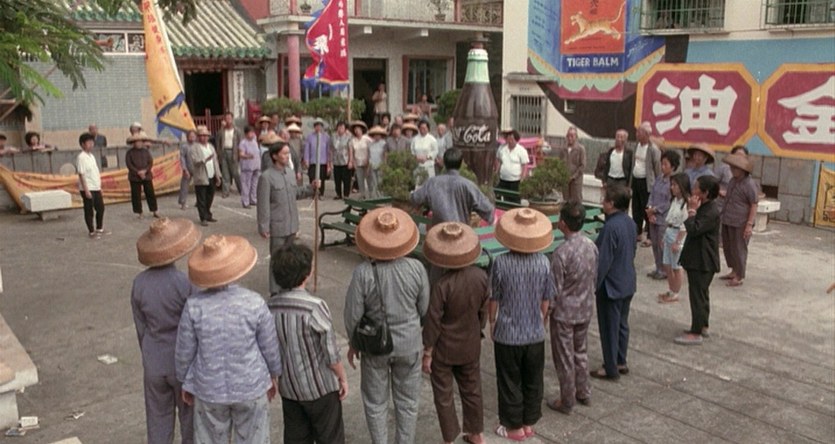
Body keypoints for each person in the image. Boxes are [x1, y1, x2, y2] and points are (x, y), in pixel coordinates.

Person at [175, 234, 282, 443]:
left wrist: (184, 380)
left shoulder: (194, 306)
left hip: (208, 389)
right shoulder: (255, 302)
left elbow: (184, 351)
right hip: (251, 385)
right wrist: (274, 373)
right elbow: (270, 346)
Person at [344, 207, 430, 444]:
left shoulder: (362, 273)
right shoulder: (417, 268)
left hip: (375, 346)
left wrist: (354, 343)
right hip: (410, 343)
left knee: (375, 403)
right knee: (408, 403)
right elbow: (424, 309)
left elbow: (353, 314)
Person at [268, 244, 348, 444]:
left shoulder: (270, 306)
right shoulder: (315, 307)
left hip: (290, 388)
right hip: (320, 389)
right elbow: (331, 354)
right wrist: (342, 377)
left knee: (296, 438)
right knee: (330, 438)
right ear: (307, 274)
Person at [132, 217, 201, 444]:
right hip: (181, 361)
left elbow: (141, 327)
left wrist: (149, 353)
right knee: (190, 419)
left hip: (153, 359)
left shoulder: (139, 284)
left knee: (157, 419)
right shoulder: (184, 283)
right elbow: (195, 328)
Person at [489, 208, 555, 440]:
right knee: (533, 380)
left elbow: (494, 298)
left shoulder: (500, 263)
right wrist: (541, 320)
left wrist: (492, 322)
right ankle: (528, 423)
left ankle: (513, 427)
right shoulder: (544, 263)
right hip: (534, 332)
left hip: (508, 333)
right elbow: (546, 300)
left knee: (509, 381)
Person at [421, 222, 488, 444]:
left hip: (444, 348)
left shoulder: (442, 285)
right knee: (472, 389)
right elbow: (482, 312)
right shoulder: (481, 277)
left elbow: (433, 320)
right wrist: (478, 329)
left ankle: (449, 437)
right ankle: (476, 433)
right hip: (470, 344)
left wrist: (428, 351)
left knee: (444, 394)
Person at [546, 202, 598, 415]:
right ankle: (583, 391)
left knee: (565, 357)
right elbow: (594, 276)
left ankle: (567, 399)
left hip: (565, 313)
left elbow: (555, 290)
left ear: (563, 223)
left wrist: (547, 311)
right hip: (584, 308)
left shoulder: (561, 253)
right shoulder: (590, 246)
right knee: (581, 351)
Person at [257, 142, 318, 294]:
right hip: (277, 226)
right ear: (275, 156)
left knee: (291, 258)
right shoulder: (266, 177)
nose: (287, 156)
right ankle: (275, 291)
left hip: (292, 225)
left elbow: (296, 193)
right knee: (276, 259)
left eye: (288, 153)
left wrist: (311, 188)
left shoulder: (290, 173)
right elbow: (263, 204)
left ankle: (289, 285)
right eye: (284, 153)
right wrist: (263, 226)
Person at [590, 185, 637, 380]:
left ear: (612, 204)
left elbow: (603, 260)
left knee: (610, 327)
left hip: (611, 285)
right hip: (627, 280)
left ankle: (610, 367)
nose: (602, 203)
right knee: (622, 325)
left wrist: (594, 284)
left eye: (605, 200)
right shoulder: (630, 222)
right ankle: (620, 360)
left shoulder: (610, 227)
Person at [676, 175, 721, 345]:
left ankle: (696, 332)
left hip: (703, 260)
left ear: (705, 193)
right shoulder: (706, 207)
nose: (693, 191)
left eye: (696, 188)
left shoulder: (710, 211)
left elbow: (694, 229)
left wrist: (692, 211)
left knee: (698, 296)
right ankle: (702, 325)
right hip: (698, 258)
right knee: (701, 294)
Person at [410, 148, 494, 227]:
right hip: (462, 232)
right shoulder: (468, 185)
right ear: (460, 164)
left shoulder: (433, 183)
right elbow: (487, 208)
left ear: (444, 163)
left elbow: (415, 198)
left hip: (438, 233)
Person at [719, 153, 758, 288]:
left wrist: (749, 224)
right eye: (732, 167)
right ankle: (734, 270)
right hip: (728, 218)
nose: (732, 170)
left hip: (741, 221)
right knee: (729, 247)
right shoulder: (733, 181)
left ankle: (739, 275)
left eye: (735, 168)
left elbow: (754, 204)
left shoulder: (749, 184)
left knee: (739, 248)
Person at [645, 150, 680, 280]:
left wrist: (655, 210)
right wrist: (649, 209)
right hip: (653, 216)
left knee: (662, 245)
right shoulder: (659, 179)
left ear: (673, 167)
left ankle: (665, 270)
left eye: (666, 164)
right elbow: (652, 194)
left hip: (664, 218)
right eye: (662, 163)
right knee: (654, 244)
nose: (663, 167)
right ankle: (658, 267)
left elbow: (669, 202)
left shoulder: (673, 183)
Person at [658, 173, 691, 304]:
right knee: (667, 263)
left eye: (675, 185)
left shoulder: (686, 203)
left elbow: (685, 225)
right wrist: (664, 237)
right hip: (670, 231)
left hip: (678, 233)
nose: (672, 187)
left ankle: (675, 292)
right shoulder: (674, 201)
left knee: (676, 266)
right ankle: (671, 289)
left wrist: (678, 241)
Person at [632, 122, 662, 244]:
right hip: (636, 180)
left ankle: (650, 236)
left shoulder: (653, 149)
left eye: (639, 132)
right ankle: (638, 232)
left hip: (647, 183)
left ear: (646, 134)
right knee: (636, 209)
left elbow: (657, 168)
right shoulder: (636, 146)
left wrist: (658, 185)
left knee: (647, 209)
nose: (637, 134)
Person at [76, 132, 108, 238]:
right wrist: (86, 190)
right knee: (89, 210)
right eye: (88, 143)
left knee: (100, 208)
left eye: (92, 142)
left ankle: (99, 228)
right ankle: (91, 231)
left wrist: (99, 187)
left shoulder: (91, 156)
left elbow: (95, 172)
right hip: (88, 187)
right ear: (82, 144)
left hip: (96, 186)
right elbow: (81, 174)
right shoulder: (81, 157)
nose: (91, 145)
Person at [189, 126, 221, 227]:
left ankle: (208, 214)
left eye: (205, 135)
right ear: (198, 137)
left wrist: (218, 175)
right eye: (201, 135)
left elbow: (215, 161)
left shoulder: (211, 147)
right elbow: (195, 161)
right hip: (201, 175)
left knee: (210, 196)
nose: (204, 137)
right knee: (201, 198)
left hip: (211, 174)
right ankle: (203, 217)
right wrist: (205, 159)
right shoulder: (194, 148)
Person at [126, 131, 160, 219]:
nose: (139, 143)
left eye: (140, 141)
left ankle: (154, 210)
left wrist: (145, 171)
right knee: (136, 195)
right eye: (137, 141)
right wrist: (138, 172)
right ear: (133, 143)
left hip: (146, 175)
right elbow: (129, 165)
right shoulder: (129, 153)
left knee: (150, 193)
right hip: (134, 176)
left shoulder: (146, 151)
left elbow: (150, 162)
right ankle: (139, 212)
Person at [495, 129, 529, 203]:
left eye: (511, 138)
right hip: (503, 179)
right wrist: (496, 172)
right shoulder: (502, 148)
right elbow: (498, 160)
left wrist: (522, 178)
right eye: (508, 138)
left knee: (514, 199)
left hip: (515, 180)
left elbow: (524, 165)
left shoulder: (521, 150)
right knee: (501, 197)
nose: (510, 140)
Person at [554, 127, 586, 203]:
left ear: (576, 137)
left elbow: (582, 165)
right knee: (566, 201)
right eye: (568, 135)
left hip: (576, 180)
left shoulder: (581, 149)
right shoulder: (563, 149)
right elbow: (559, 163)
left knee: (576, 201)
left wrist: (573, 176)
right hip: (565, 180)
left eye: (572, 136)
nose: (570, 138)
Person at [215, 111, 242, 198]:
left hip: (233, 152)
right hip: (224, 152)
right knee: (225, 172)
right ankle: (225, 191)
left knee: (235, 173)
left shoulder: (237, 131)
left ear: (232, 119)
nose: (228, 120)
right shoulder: (222, 131)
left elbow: (240, 143)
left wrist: (239, 153)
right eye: (226, 118)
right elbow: (218, 141)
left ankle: (241, 189)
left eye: (229, 118)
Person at [303, 118, 332, 196]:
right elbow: (307, 149)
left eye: (320, 126)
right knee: (312, 178)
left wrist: (329, 163)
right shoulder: (310, 137)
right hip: (313, 161)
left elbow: (328, 151)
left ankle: (320, 194)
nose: (318, 127)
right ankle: (312, 193)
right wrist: (306, 160)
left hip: (323, 162)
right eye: (316, 126)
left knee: (321, 179)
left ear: (322, 127)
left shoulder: (326, 137)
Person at [238, 126, 261, 209]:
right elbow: (241, 154)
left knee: (254, 184)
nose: (252, 134)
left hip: (256, 165)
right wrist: (248, 156)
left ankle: (253, 199)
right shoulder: (243, 143)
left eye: (252, 132)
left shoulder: (254, 141)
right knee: (246, 185)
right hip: (247, 166)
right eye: (250, 133)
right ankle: (245, 201)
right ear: (246, 134)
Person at [349, 120, 373, 199]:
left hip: (367, 162)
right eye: (355, 129)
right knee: (360, 180)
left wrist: (368, 159)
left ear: (362, 130)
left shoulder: (367, 139)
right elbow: (351, 152)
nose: (357, 131)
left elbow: (370, 150)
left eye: (358, 129)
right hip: (358, 162)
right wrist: (352, 161)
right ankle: (363, 196)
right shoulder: (352, 141)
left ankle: (372, 196)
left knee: (369, 180)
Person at [330, 121, 353, 200]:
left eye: (342, 127)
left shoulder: (348, 137)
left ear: (345, 129)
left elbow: (350, 149)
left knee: (346, 179)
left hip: (345, 161)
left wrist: (350, 161)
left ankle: (346, 194)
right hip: (336, 161)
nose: (340, 129)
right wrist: (330, 161)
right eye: (339, 127)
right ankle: (338, 194)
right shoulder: (333, 137)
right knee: (337, 179)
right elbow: (331, 149)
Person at [411, 120, 438, 186]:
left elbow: (435, 151)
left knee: (429, 185)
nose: (422, 130)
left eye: (424, 128)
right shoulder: (415, 139)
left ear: (428, 129)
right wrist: (416, 157)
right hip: (417, 165)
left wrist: (427, 157)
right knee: (418, 184)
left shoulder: (432, 139)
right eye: (421, 128)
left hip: (428, 166)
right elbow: (412, 150)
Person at [367, 126, 387, 199]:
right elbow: (369, 155)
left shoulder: (384, 143)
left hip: (380, 164)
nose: (377, 136)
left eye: (378, 134)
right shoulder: (370, 144)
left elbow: (385, 155)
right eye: (375, 135)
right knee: (374, 182)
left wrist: (384, 164)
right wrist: (368, 166)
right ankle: (375, 197)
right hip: (372, 164)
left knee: (380, 182)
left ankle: (381, 197)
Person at [178, 130, 196, 210]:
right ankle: (183, 203)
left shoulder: (197, 145)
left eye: (193, 136)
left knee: (200, 186)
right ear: (187, 137)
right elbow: (182, 158)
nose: (192, 138)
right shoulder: (184, 146)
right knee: (184, 186)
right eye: (190, 136)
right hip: (188, 168)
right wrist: (185, 169)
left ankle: (199, 202)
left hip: (197, 168)